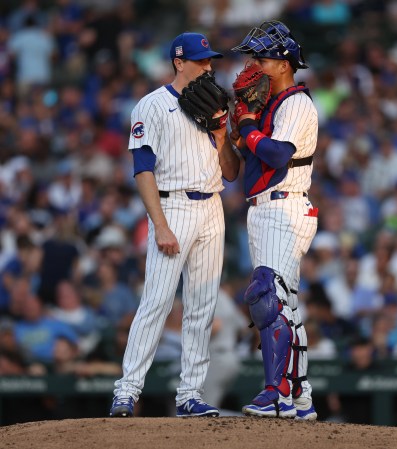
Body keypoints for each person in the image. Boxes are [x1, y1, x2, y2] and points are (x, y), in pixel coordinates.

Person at [109, 31, 240, 418]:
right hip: (174, 207)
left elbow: (231, 173)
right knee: (157, 303)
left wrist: (220, 135)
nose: (208, 66)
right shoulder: (151, 106)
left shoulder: (215, 106)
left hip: (212, 207)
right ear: (178, 63)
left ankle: (190, 394)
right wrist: (160, 224)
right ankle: (127, 390)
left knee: (202, 307)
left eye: (210, 59)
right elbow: (142, 170)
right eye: (200, 60)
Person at [230, 20, 319, 420]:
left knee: (267, 295)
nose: (254, 66)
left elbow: (278, 155)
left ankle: (276, 391)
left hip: (284, 204)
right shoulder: (268, 105)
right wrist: (230, 129)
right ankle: (300, 397)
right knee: (286, 306)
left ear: (284, 64)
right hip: (267, 208)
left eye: (261, 58)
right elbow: (246, 161)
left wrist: (248, 126)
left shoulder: (297, 102)